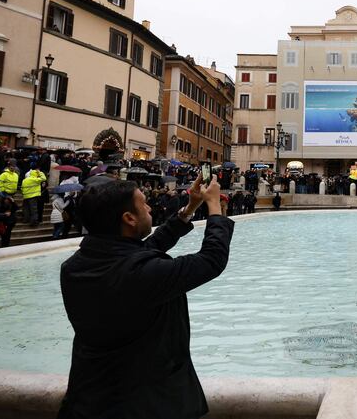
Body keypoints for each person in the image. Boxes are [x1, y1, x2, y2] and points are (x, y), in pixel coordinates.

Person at [57, 175, 233, 418]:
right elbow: (211, 260)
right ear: (128, 218)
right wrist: (215, 207)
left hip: (87, 399)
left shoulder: (74, 267)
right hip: (145, 405)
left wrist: (190, 208)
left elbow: (148, 248)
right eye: (143, 203)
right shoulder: (140, 274)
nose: (150, 207)